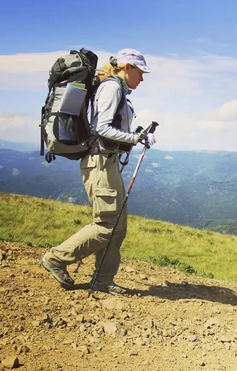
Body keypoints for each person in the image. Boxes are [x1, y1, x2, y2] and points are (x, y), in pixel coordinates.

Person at [41, 48, 155, 295]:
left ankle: (102, 281)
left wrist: (136, 135)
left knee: (118, 226)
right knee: (106, 225)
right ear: (127, 67)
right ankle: (57, 258)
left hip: (108, 161)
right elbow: (101, 127)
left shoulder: (117, 89)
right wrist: (135, 138)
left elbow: (109, 126)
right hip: (100, 162)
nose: (142, 78)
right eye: (140, 72)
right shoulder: (112, 88)